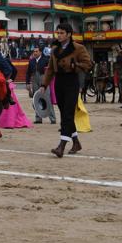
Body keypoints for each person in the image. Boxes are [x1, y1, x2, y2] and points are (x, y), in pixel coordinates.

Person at [40, 24, 92, 157]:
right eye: (58, 33)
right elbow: (50, 69)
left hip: (71, 81)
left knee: (68, 114)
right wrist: (44, 84)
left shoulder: (78, 48)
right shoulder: (54, 49)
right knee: (65, 114)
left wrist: (76, 66)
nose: (59, 35)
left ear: (69, 34)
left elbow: (88, 64)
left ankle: (61, 146)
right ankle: (76, 143)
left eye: (62, 33)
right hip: (59, 82)